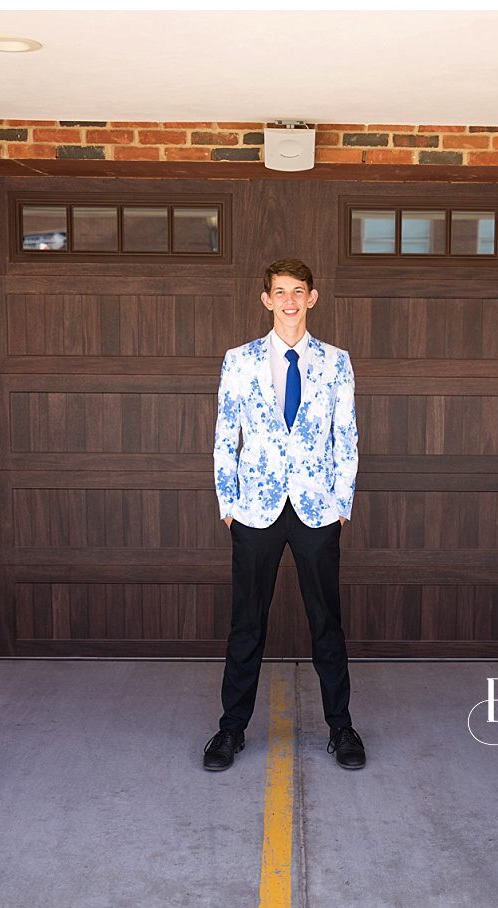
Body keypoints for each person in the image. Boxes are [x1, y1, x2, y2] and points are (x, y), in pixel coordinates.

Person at [203, 258, 364, 771]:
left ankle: (341, 728)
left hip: (318, 509)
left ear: (312, 298)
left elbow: (348, 437)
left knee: (327, 626)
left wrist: (342, 503)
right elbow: (226, 435)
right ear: (266, 299)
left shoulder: (337, 362)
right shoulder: (239, 360)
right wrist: (228, 504)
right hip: (255, 508)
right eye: (280, 291)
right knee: (246, 624)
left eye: (299, 291)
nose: (290, 300)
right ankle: (230, 731)